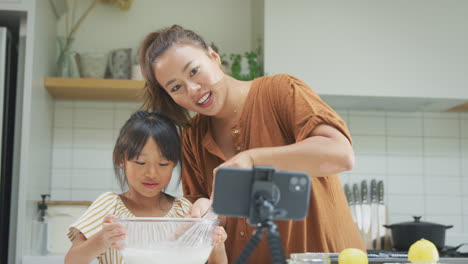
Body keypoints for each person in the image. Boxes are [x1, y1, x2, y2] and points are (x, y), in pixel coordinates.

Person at [139, 25, 365, 263]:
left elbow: (340, 154)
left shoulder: (280, 91)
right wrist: (206, 212)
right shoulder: (192, 137)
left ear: (213, 57)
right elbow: (214, 228)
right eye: (176, 87)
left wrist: (252, 159)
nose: (192, 90)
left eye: (194, 71)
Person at [64, 111, 227, 264]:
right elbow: (71, 260)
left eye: (163, 164)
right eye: (141, 163)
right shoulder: (109, 206)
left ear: (174, 164)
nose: (152, 173)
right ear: (120, 159)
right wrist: (102, 240)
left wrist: (217, 245)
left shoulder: (184, 211)